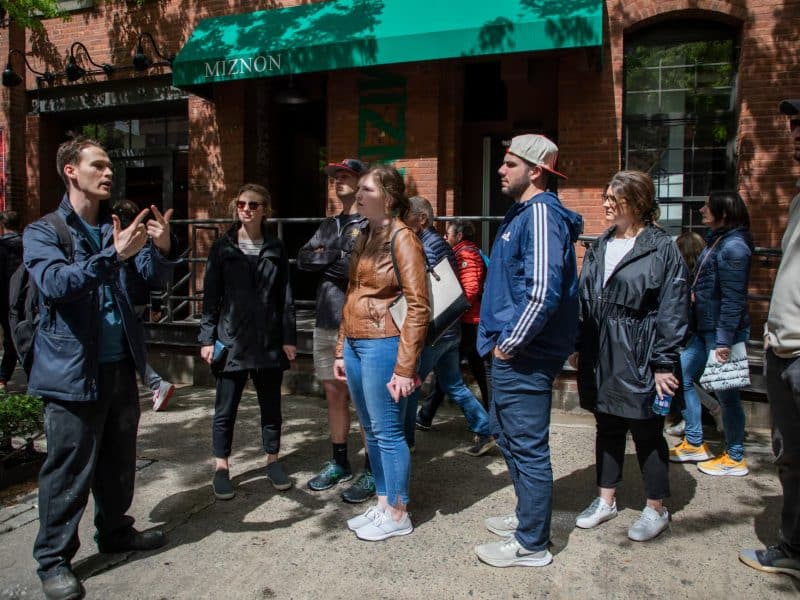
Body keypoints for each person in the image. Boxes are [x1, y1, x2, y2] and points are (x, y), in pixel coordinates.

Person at [26, 137, 177, 600]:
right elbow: (55, 283)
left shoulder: (114, 227)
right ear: (71, 170)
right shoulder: (45, 231)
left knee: (118, 462)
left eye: (110, 165)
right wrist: (113, 255)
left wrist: (160, 249)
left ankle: (114, 531)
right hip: (71, 373)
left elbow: (151, 283)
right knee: (69, 470)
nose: (108, 172)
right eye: (98, 165)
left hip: (118, 365)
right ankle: (53, 560)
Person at [474, 134, 582, 567]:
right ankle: (527, 519)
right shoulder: (523, 213)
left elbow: (542, 293)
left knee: (527, 447)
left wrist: (508, 347)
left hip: (523, 355)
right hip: (512, 351)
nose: (500, 170)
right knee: (510, 439)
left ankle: (532, 543)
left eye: (509, 164)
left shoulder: (539, 213)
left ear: (535, 171)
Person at [572, 170, 689, 543]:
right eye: (606, 196)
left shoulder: (661, 247)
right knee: (606, 426)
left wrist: (664, 363)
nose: (605, 203)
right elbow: (585, 297)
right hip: (600, 351)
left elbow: (673, 309)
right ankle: (605, 500)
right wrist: (579, 343)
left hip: (639, 351)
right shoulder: (602, 243)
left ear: (636, 202)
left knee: (646, 430)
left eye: (613, 198)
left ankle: (656, 508)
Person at [333, 165, 429, 541]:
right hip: (356, 342)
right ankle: (384, 501)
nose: (357, 195)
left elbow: (419, 306)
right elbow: (352, 292)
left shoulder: (403, 237)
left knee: (388, 432)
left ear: (387, 197)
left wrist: (405, 367)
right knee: (370, 429)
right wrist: (342, 348)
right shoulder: (365, 233)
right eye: (357, 189)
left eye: (365, 189)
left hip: (384, 343)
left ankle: (399, 510)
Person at [199, 184, 297, 499]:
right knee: (225, 409)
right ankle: (221, 467)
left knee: (271, 406)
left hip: (268, 340)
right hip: (232, 341)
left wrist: (288, 337)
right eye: (241, 204)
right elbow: (211, 296)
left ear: (265, 210)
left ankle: (272, 460)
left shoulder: (276, 247)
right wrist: (206, 338)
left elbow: (286, 297)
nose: (246, 209)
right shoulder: (223, 246)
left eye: (254, 205)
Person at [739, 99, 800, 578]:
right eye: (795, 125)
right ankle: (794, 548)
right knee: (790, 457)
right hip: (783, 351)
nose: (796, 133)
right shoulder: (799, 200)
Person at [297, 159, 376, 503]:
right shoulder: (329, 224)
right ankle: (340, 461)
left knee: (365, 399)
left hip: (360, 322)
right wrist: (334, 255)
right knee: (333, 393)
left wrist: (327, 258)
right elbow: (302, 259)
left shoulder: (371, 222)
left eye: (345, 176)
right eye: (335, 177)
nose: (337, 181)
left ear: (360, 182)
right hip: (327, 318)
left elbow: (356, 266)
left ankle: (373, 470)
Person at [670, 191, 752, 474]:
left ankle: (735, 456)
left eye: (708, 206)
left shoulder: (734, 247)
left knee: (727, 394)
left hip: (720, 332)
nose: (702, 209)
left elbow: (733, 298)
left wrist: (724, 340)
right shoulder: (719, 240)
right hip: (707, 328)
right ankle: (694, 441)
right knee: (682, 374)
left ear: (724, 213)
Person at [403, 199, 492, 455]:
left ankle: (404, 441)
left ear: (421, 219)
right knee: (453, 383)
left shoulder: (427, 245)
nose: (403, 219)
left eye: (407, 215)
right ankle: (486, 428)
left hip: (436, 333)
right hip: (450, 331)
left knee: (410, 383)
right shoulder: (439, 244)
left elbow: (425, 288)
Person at [416, 219, 490, 431]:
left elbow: (470, 289)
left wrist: (449, 311)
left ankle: (491, 423)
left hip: (469, 323)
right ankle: (486, 425)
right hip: (466, 323)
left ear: (459, 235)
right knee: (452, 379)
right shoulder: (464, 251)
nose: (446, 238)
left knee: (467, 376)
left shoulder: (466, 253)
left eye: (449, 234)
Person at [112, 200, 177, 412]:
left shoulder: (136, 239)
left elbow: (152, 274)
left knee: (130, 347)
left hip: (129, 302)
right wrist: (156, 305)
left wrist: (163, 247)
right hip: (136, 301)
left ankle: (157, 384)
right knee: (130, 346)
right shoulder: (133, 238)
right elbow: (153, 278)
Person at [667, 231, 724, 436]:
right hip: (700, 334)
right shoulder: (698, 275)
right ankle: (694, 423)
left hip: (699, 334)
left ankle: (697, 423)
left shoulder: (692, 278)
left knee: (682, 376)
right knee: (682, 376)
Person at [0, 210, 23, 390]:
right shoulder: (28, 246)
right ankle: (3, 377)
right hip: (19, 299)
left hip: (2, 298)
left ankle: (2, 378)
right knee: (13, 339)